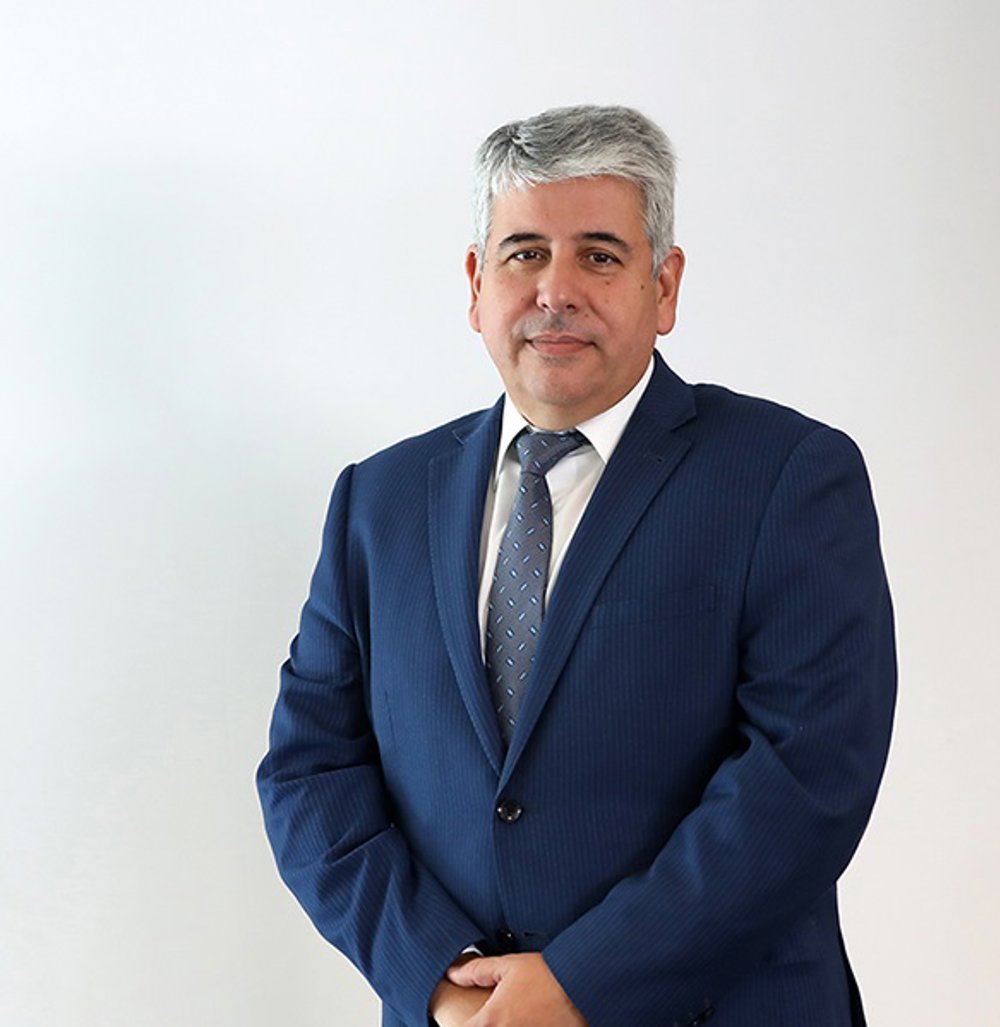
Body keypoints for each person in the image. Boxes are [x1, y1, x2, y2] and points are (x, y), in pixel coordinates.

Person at [257, 104, 897, 1027]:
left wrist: (582, 981)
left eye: (599, 255)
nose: (556, 289)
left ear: (663, 287)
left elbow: (806, 777)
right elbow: (311, 769)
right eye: (525, 252)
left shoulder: (785, 476)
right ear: (476, 284)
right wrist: (437, 975)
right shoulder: (381, 499)